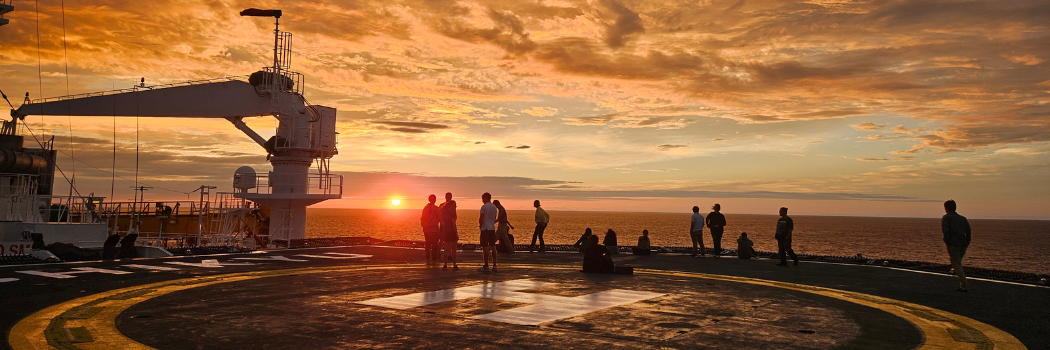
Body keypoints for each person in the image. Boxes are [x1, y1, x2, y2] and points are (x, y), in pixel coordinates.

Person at [942, 199, 972, 292]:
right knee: (958, 262)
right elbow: (968, 231)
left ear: (946, 208)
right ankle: (957, 274)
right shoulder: (963, 218)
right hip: (963, 244)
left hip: (953, 244)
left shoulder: (946, 218)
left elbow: (946, 232)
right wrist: (967, 241)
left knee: (956, 263)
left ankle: (964, 285)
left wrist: (947, 242)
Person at [478, 192, 499, 272]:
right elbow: (494, 219)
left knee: (485, 246)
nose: (482, 200)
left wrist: (480, 225)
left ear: (486, 198)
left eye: (483, 198)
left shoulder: (484, 207)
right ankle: (494, 265)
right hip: (492, 228)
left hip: (485, 228)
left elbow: (481, 218)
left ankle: (486, 265)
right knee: (493, 246)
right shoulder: (494, 207)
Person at [420, 194, 443, 266]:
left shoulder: (425, 208)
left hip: (426, 229)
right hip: (433, 228)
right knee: (434, 244)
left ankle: (428, 259)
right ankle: (433, 260)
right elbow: (440, 218)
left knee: (428, 244)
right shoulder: (436, 208)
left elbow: (423, 218)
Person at [439, 192, 459, 270]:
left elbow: (442, 222)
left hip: (445, 230)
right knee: (453, 249)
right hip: (451, 231)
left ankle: (445, 264)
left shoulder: (443, 211)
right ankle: (454, 265)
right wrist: (456, 233)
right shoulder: (452, 213)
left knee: (446, 248)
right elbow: (453, 223)